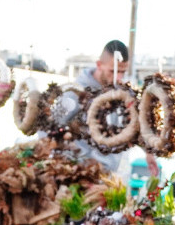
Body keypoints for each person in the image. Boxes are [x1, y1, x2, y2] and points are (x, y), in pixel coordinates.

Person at [64, 39, 159, 177]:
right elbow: (50, 129)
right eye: (113, 71)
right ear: (99, 65)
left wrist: (148, 152)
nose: (118, 77)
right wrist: (73, 164)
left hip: (112, 173)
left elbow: (132, 126)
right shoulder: (75, 93)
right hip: (82, 173)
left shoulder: (121, 93)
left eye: (122, 72)